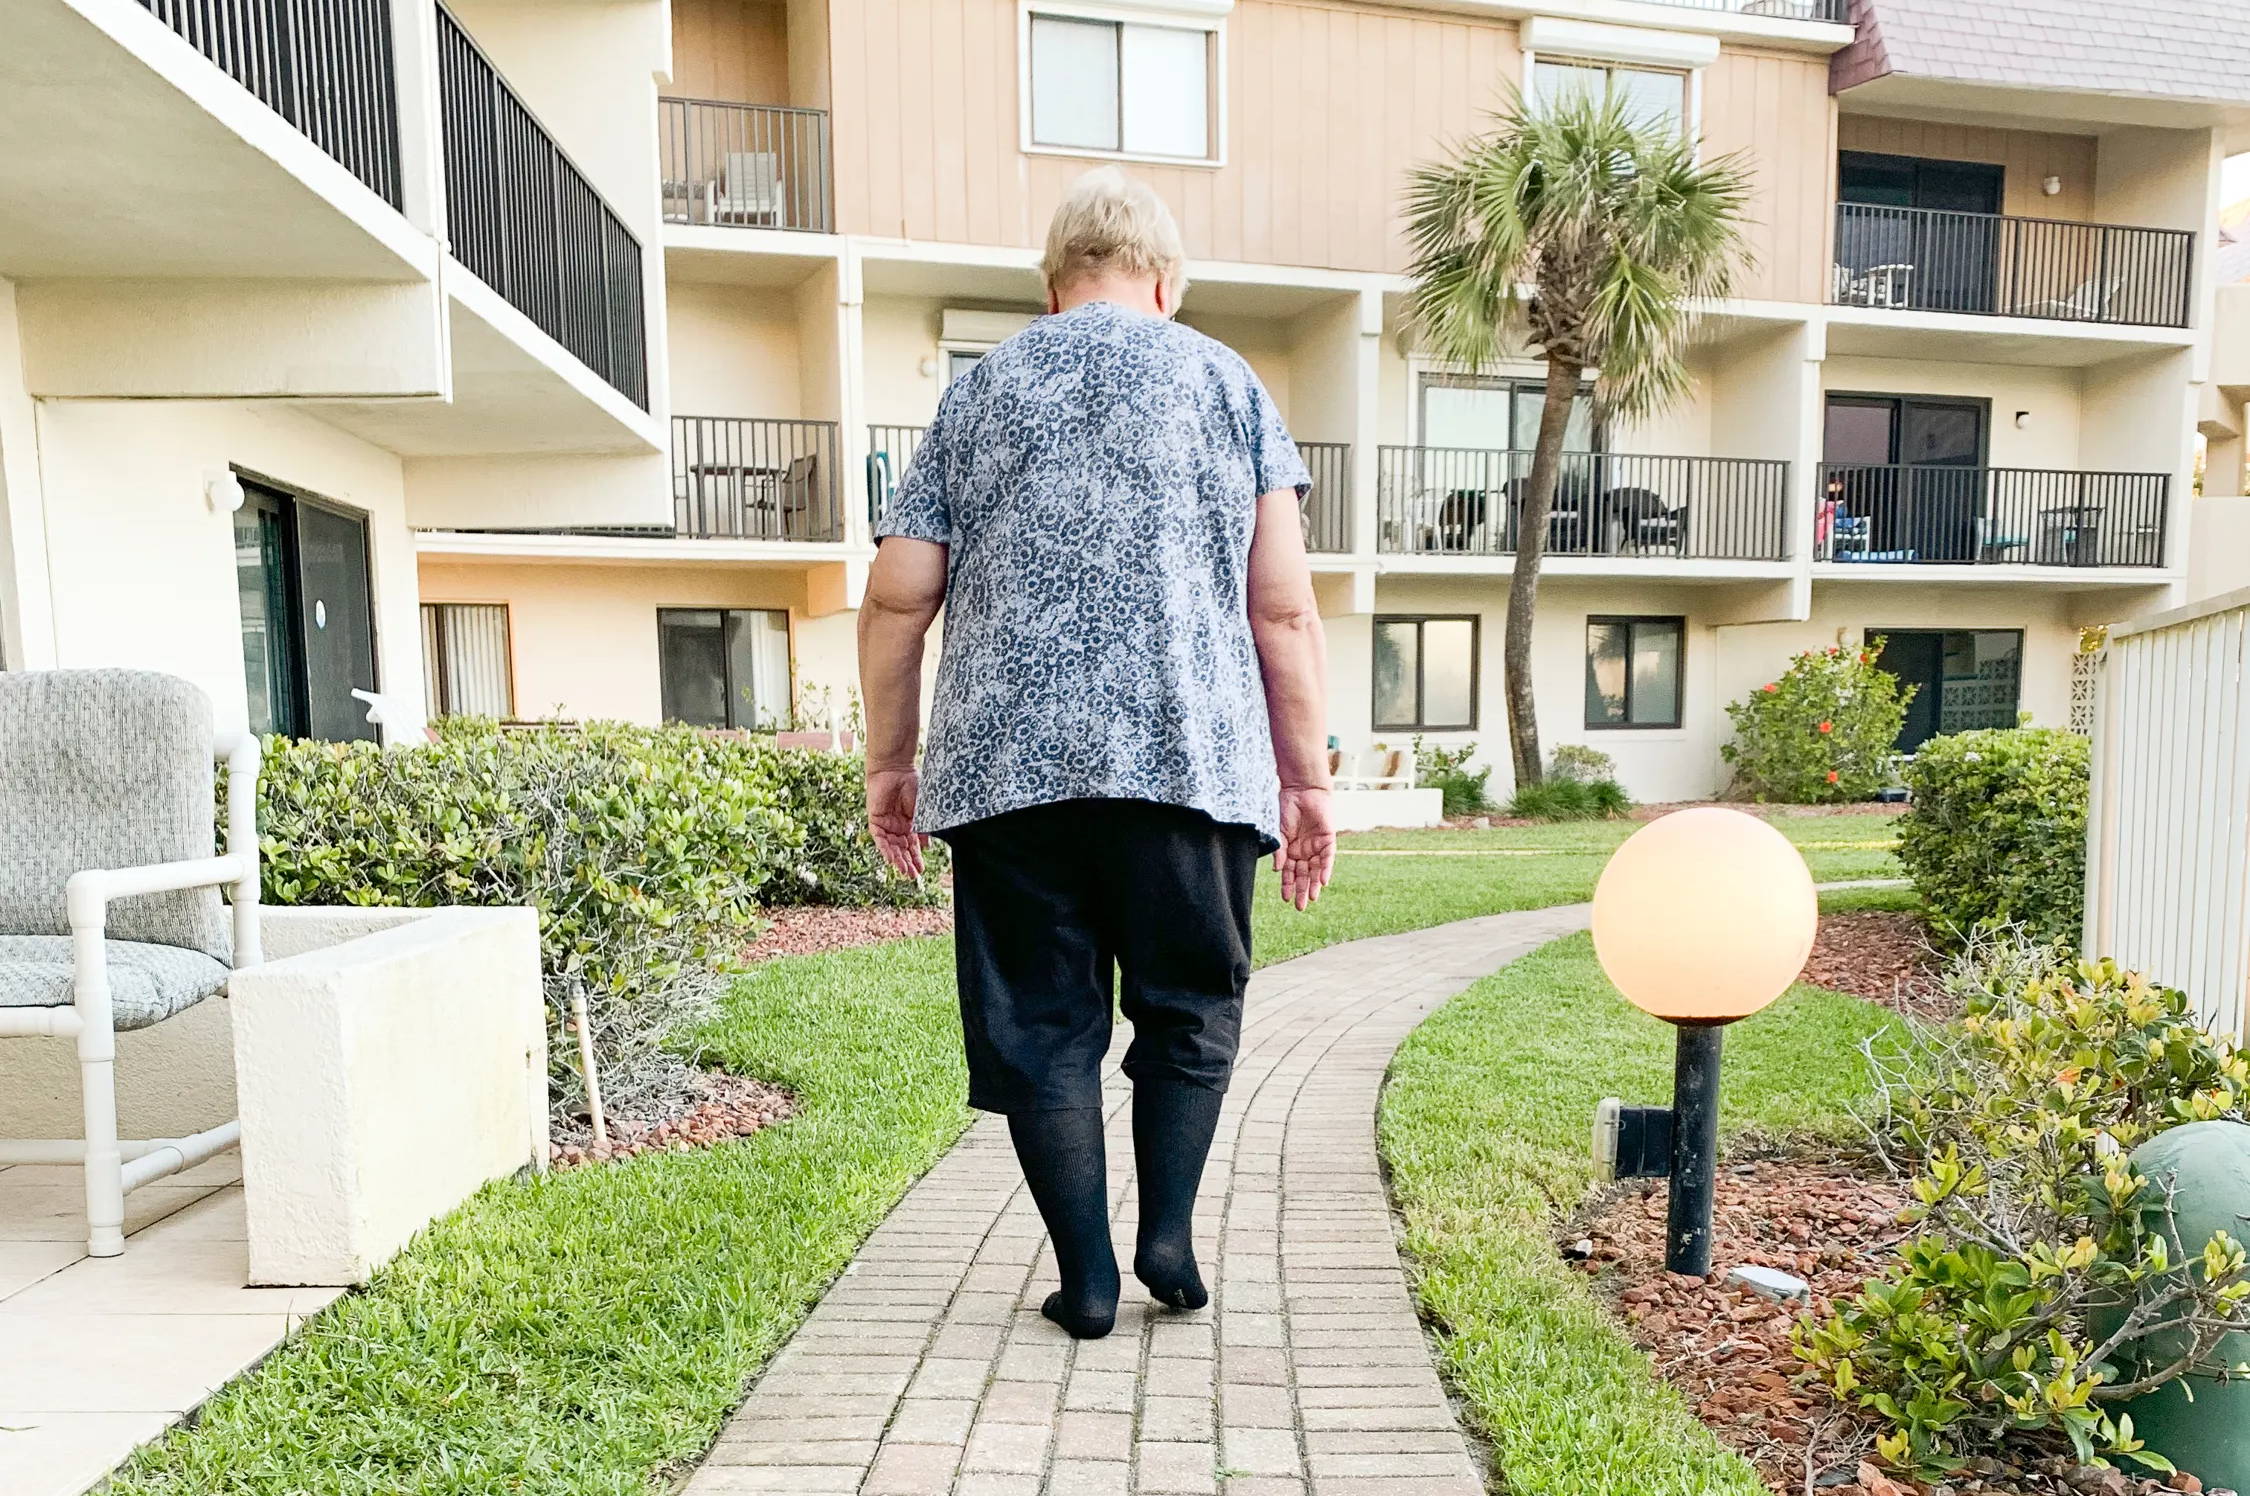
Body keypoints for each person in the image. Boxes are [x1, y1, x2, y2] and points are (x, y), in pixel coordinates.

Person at [857, 166, 1335, 1341]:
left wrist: (889, 760)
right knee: (1187, 1003)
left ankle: (1088, 1276)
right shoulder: (1228, 381)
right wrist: (1309, 776)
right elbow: (1281, 609)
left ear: (1054, 286)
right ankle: (1166, 1227)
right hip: (1191, 762)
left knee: (1042, 1024)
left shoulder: (980, 394)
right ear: (1164, 284)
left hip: (1011, 773)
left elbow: (897, 596)